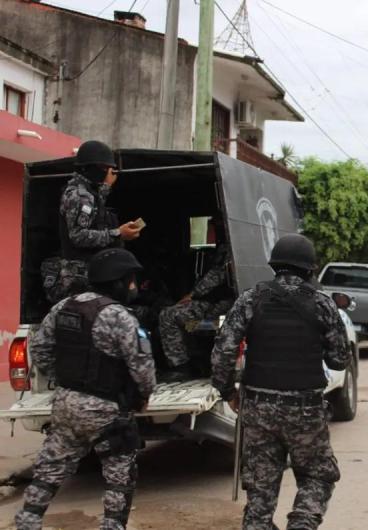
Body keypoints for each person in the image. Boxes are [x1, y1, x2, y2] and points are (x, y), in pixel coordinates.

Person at [211, 234, 350, 530]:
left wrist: (228, 392)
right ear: (310, 269)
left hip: (258, 407)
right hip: (305, 410)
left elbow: (222, 352)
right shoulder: (323, 305)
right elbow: (340, 359)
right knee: (318, 475)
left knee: (260, 489)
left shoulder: (250, 298)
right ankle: (301, 523)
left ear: (274, 266)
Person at [16, 248, 155, 530]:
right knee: (119, 478)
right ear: (117, 281)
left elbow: (40, 349)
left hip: (66, 403)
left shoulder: (63, 307)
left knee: (49, 471)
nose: (134, 286)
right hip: (105, 410)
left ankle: (27, 522)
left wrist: (65, 378)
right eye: (130, 280)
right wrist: (142, 396)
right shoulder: (119, 316)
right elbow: (142, 366)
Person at [43, 141, 142, 303]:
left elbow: (94, 214)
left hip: (87, 271)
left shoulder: (86, 191)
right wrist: (118, 233)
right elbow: (78, 236)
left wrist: (106, 186)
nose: (107, 172)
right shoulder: (79, 195)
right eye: (104, 168)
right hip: (79, 274)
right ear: (90, 168)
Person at [159, 227, 234, 378]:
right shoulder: (228, 245)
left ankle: (181, 367)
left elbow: (216, 276)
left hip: (221, 307)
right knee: (188, 324)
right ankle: (196, 362)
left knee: (168, 315)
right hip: (219, 312)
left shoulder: (229, 248)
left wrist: (192, 295)